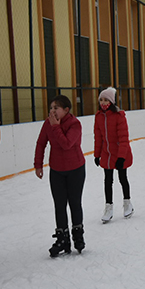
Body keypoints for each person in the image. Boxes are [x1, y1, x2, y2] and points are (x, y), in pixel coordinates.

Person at [33, 95, 86, 256]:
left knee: (75, 203)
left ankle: (78, 236)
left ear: (66, 110)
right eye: (51, 108)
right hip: (56, 170)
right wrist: (38, 165)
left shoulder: (74, 124)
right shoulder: (47, 124)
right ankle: (62, 239)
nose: (52, 111)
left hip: (75, 169)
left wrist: (56, 126)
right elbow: (41, 143)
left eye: (56, 108)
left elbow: (66, 144)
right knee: (59, 205)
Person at [94, 87, 134, 224]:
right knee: (107, 180)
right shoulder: (98, 116)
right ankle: (108, 207)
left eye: (106, 100)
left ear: (112, 101)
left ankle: (127, 203)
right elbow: (98, 137)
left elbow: (124, 138)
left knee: (122, 178)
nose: (103, 103)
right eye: (101, 100)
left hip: (120, 152)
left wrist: (121, 157)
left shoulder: (119, 116)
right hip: (107, 153)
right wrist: (97, 154)